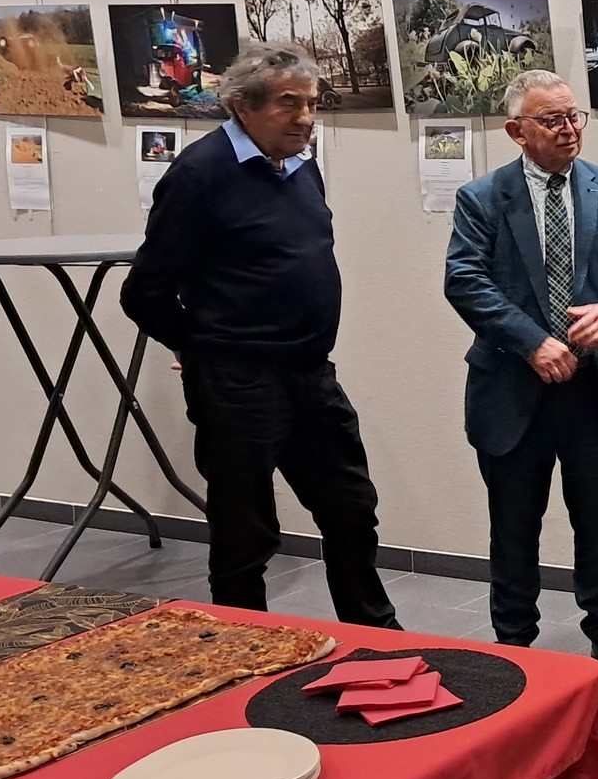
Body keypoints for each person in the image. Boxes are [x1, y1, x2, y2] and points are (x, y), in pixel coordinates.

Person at [121, 41, 398, 628]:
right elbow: (143, 292)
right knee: (246, 529)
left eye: (311, 103)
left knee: (351, 509)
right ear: (242, 106)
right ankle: (244, 641)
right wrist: (202, 349)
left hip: (310, 372)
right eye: (288, 104)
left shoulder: (301, 166)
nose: (305, 118)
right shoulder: (198, 174)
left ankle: (372, 632)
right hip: (238, 384)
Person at [442, 69, 598, 688]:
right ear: (517, 131)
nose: (568, 129)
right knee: (514, 525)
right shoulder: (482, 197)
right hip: (513, 391)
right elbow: (464, 279)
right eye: (551, 120)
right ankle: (514, 642)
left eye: (573, 117)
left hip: (596, 390)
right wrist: (532, 342)